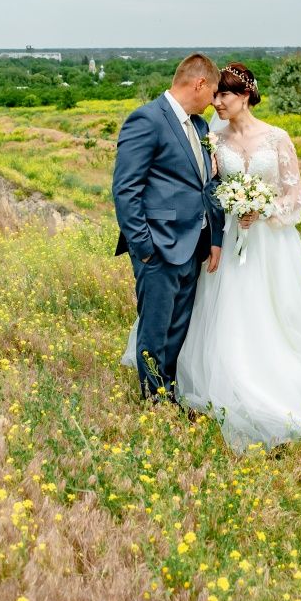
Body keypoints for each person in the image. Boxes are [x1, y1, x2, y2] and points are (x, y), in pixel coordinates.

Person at [123, 63, 301, 451]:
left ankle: (269, 384)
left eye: (224, 95)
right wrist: (225, 217)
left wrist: (263, 209)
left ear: (245, 96)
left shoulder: (277, 138)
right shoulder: (210, 136)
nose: (216, 102)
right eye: (213, 94)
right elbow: (205, 189)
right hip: (224, 239)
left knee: (269, 316)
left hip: (269, 244)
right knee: (221, 314)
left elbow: (295, 199)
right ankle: (200, 388)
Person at [112, 54, 225, 402]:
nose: (214, 102)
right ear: (199, 83)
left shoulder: (201, 127)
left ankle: (170, 392)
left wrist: (215, 237)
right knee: (155, 329)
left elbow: (207, 186)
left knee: (179, 327)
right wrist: (143, 248)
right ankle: (154, 400)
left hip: (194, 245)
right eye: (213, 93)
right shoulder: (147, 120)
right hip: (158, 247)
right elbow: (125, 189)